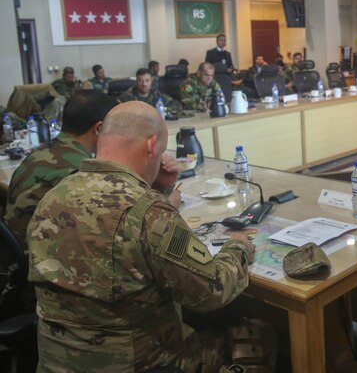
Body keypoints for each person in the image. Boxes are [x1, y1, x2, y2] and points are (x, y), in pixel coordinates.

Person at [27, 101, 275, 371]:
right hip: (138, 364)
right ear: (152, 146)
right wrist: (236, 248)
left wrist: (161, 188)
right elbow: (211, 292)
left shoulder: (53, 197)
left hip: (56, 363)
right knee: (257, 337)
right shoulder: (147, 210)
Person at [5, 91, 119, 248]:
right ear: (99, 129)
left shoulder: (40, 152)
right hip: (39, 258)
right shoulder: (82, 172)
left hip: (14, 253)